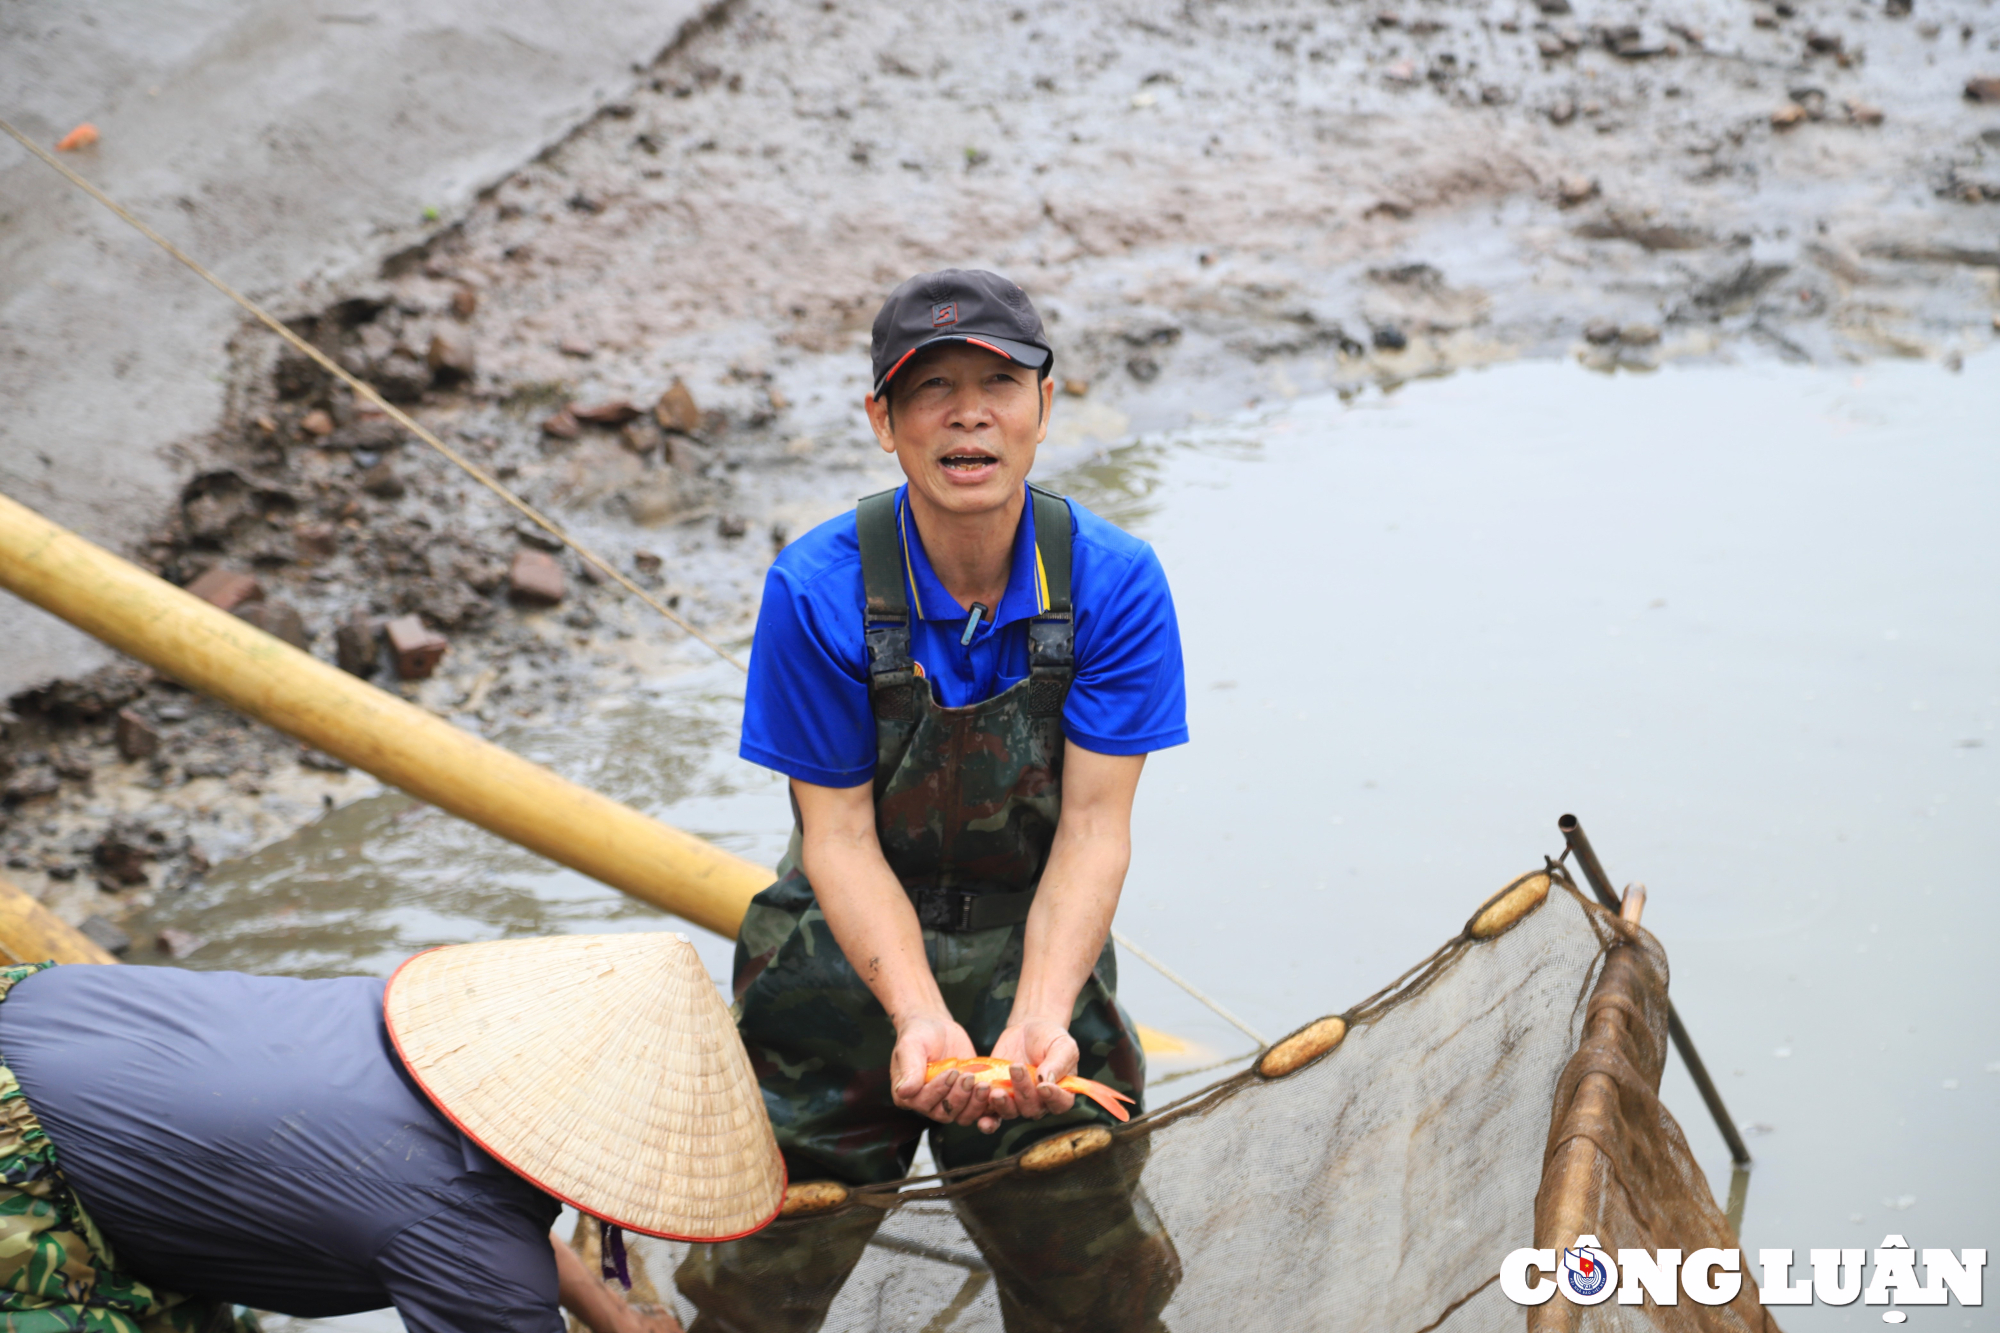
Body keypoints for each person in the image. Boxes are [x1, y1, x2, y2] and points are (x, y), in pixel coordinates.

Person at [677, 269, 1187, 1331]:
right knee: (754, 1277)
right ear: (883, 421)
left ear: (1044, 406)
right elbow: (840, 837)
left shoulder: (1111, 580)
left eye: (998, 381)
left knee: (1093, 1285)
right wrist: (916, 1016)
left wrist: (1040, 1020)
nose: (968, 411)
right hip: (838, 961)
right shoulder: (815, 588)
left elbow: (1093, 833)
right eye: (930, 387)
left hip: (1032, 949)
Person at [0, 932, 784, 1333]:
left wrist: (609, 1314)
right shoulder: (464, 1231)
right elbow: (466, 1225)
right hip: (20, 1173)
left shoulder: (416, 1031)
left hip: (41, 1017)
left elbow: (478, 1197)